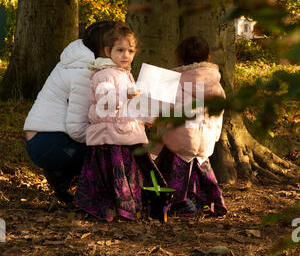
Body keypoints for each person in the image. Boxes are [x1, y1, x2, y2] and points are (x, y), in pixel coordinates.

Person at [73, 21, 165, 222]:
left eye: (130, 51)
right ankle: (109, 208)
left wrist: (145, 116)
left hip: (126, 132)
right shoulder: (104, 74)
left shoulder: (127, 74)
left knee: (129, 174)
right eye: (120, 50)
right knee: (111, 176)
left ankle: (128, 207)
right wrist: (127, 94)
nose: (126, 55)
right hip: (110, 135)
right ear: (108, 51)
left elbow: (129, 105)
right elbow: (105, 101)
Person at [23, 22, 109, 206]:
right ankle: (72, 183)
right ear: (106, 49)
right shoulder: (84, 71)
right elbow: (77, 129)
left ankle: (64, 176)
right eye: (118, 47)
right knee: (107, 149)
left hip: (41, 139)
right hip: (49, 142)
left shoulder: (75, 61)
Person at [155, 36, 227, 217]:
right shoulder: (216, 84)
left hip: (179, 138)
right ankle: (207, 200)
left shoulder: (172, 81)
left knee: (177, 169)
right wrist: (215, 134)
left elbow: (163, 111)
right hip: (205, 136)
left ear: (180, 59)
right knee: (201, 169)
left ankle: (180, 202)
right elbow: (219, 112)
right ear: (209, 58)